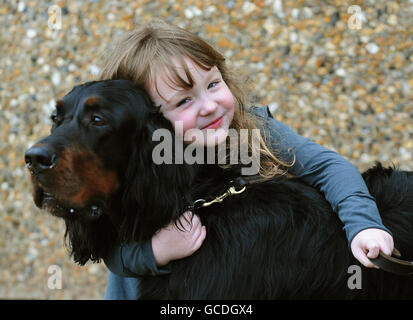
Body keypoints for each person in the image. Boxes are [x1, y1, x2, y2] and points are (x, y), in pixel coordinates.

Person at [98, 20, 394, 299]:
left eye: (213, 84)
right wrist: (154, 251)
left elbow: (327, 166)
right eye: (184, 100)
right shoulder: (135, 169)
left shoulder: (251, 130)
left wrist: (363, 225)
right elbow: (109, 248)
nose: (210, 106)